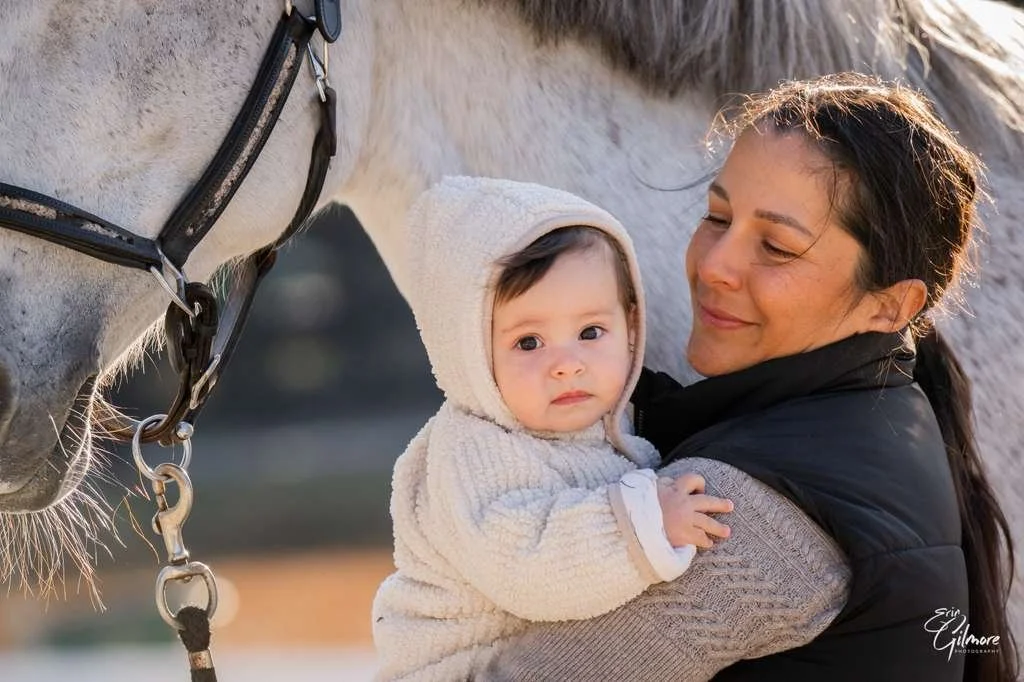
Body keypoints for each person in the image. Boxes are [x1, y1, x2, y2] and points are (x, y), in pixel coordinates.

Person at [479, 73, 1019, 681]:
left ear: (890, 307)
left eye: (777, 247)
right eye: (717, 216)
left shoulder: (734, 513)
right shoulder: (888, 422)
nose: (715, 265)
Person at [371, 176, 734, 681]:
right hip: (464, 669)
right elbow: (525, 564)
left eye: (590, 332)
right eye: (528, 342)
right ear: (469, 353)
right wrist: (648, 520)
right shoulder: (474, 447)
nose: (567, 365)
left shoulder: (619, 427)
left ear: (630, 327)